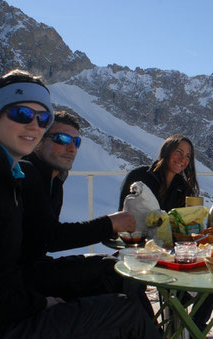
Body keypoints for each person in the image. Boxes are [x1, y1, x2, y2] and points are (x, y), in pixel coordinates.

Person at [0, 69, 172, 339]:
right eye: (23, 113)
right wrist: (41, 304)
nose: (34, 125)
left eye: (43, 119)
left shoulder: (11, 176)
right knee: (123, 310)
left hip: (8, 306)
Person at [19, 110, 153, 317]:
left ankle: (147, 336)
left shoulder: (54, 179)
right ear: (39, 140)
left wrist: (110, 226)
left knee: (115, 267)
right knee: (116, 273)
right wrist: (110, 224)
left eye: (77, 142)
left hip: (34, 267)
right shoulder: (27, 173)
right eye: (62, 139)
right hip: (19, 278)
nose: (71, 148)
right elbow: (50, 237)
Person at [119, 135, 213, 339]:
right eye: (179, 152)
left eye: (188, 156)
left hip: (170, 252)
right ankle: (155, 336)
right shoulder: (139, 177)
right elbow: (124, 215)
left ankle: (196, 333)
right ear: (167, 151)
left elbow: (182, 226)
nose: (183, 159)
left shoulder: (181, 187)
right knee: (132, 284)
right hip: (138, 249)